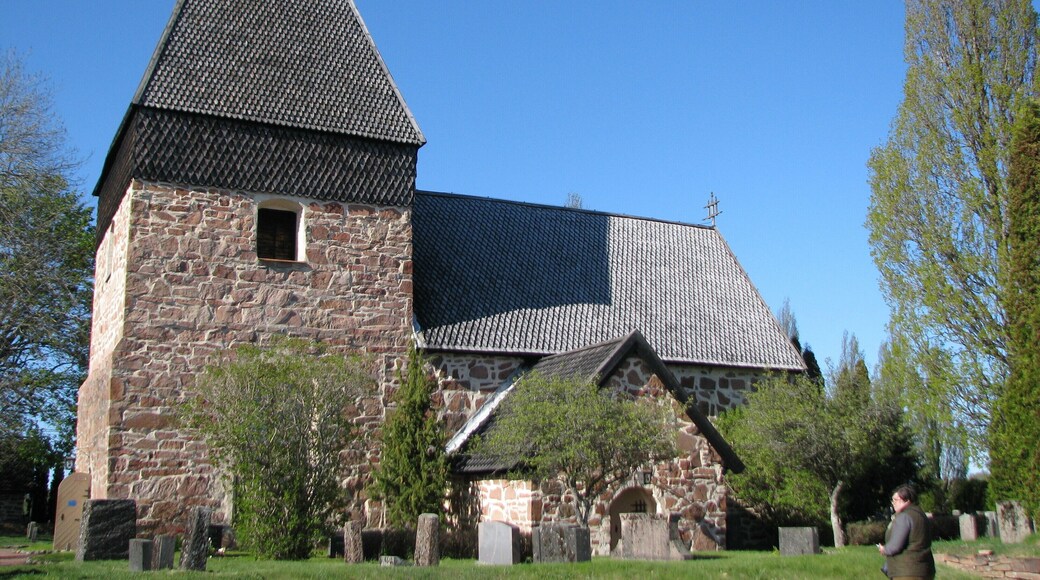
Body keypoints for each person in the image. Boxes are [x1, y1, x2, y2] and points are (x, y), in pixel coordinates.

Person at [877, 485, 936, 580]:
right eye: (892, 500)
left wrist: (884, 549)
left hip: (906, 571)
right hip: (925, 569)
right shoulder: (921, 515)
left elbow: (895, 545)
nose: (893, 503)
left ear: (907, 500)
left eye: (896, 500)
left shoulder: (904, 517)